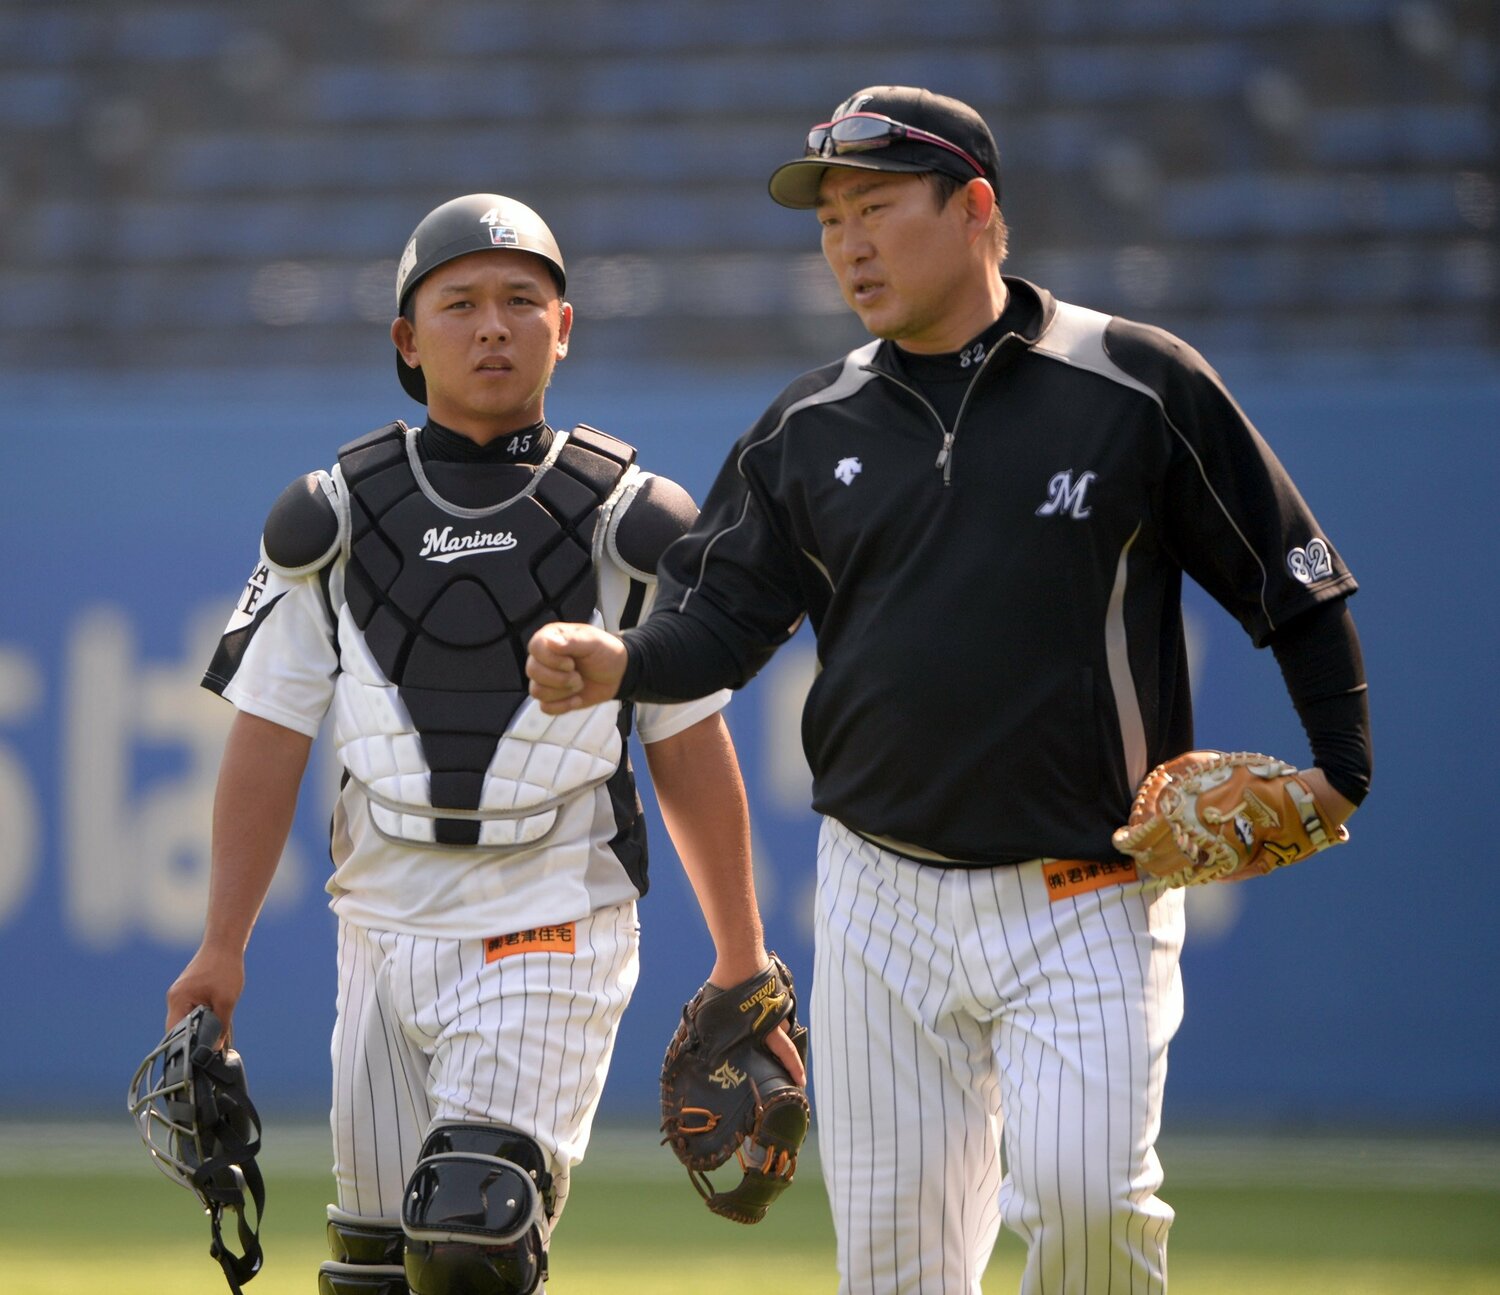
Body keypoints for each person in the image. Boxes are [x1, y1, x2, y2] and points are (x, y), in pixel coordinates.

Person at [525, 87, 1372, 1293]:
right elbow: (715, 622)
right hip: (881, 898)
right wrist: (621, 662)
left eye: (875, 207)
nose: (849, 244)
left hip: (1087, 885)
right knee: (894, 1267)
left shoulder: (1135, 382)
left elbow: (1293, 579)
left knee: (1090, 1210)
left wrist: (1341, 769)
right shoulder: (808, 427)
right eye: (829, 221)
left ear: (976, 208)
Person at [164, 192, 803, 1295]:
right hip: (378, 931)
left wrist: (740, 953)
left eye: (522, 300)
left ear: (566, 325)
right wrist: (222, 944)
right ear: (408, 340)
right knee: (372, 1266)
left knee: (471, 1237)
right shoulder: (329, 517)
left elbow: (689, 748)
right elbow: (268, 738)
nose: (493, 325)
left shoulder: (636, 518)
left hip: (550, 921)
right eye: (459, 303)